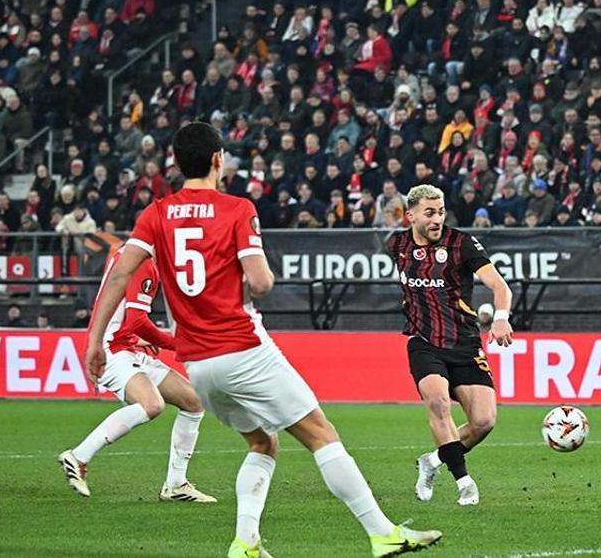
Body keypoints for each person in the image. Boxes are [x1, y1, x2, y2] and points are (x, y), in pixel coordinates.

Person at [83, 123, 440, 558]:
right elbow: (261, 282)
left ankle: (246, 543)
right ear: (218, 159)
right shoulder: (236, 208)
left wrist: (95, 342)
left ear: (176, 163)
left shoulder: (155, 214)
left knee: (262, 442)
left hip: (198, 365)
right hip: (243, 348)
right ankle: (383, 534)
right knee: (320, 433)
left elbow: (119, 275)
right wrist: (256, 271)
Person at [387, 184, 514, 507]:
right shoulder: (396, 244)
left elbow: (499, 286)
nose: (437, 219)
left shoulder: (461, 243)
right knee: (439, 403)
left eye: (441, 212)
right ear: (411, 216)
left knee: (484, 422)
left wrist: (500, 318)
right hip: (423, 341)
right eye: (429, 213)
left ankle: (432, 461)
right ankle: (464, 483)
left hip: (465, 342)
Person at [58, 250, 215, 503]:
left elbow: (121, 312)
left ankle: (176, 485)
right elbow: (138, 321)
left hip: (123, 345)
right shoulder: (145, 263)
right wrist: (178, 344)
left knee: (193, 402)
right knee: (152, 405)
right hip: (111, 350)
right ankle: (78, 456)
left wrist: (134, 338)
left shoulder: (129, 254)